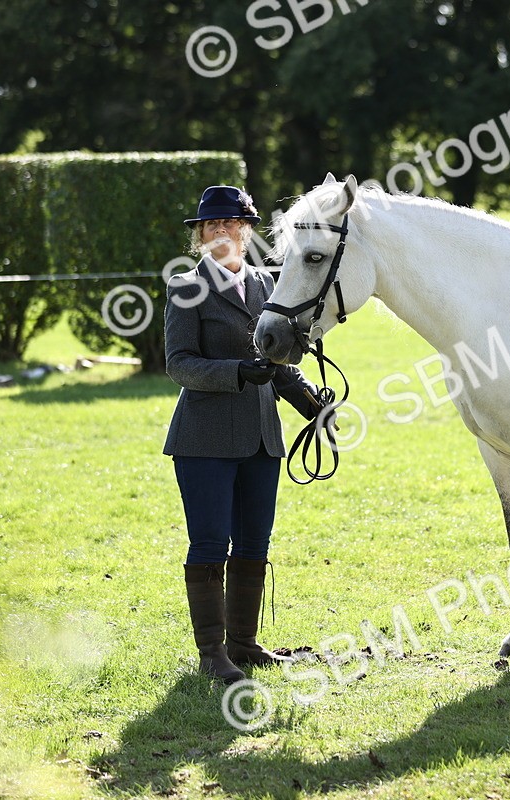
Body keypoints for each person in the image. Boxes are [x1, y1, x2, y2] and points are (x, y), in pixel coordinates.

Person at [164, 185, 322, 684]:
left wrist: (310, 403)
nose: (222, 233)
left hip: (260, 439)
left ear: (246, 231)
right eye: (211, 226)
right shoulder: (184, 289)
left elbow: (276, 361)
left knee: (254, 542)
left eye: (231, 225)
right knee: (210, 543)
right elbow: (179, 365)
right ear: (200, 237)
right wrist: (235, 372)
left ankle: (245, 645)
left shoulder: (267, 286)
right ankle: (213, 653)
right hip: (203, 441)